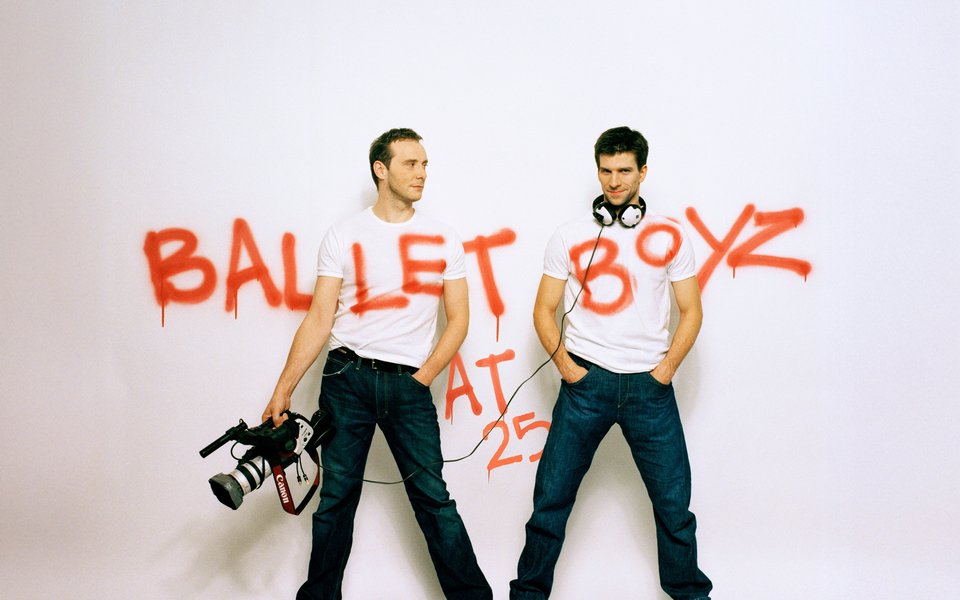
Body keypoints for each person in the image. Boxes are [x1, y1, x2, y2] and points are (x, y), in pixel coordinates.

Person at [263, 128, 492, 600]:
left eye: (425, 164)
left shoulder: (443, 238)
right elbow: (319, 318)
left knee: (433, 499)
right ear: (380, 169)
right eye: (411, 164)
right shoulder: (344, 234)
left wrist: (423, 377)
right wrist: (283, 389)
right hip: (346, 380)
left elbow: (459, 320)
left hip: (409, 385)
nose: (422, 173)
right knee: (335, 500)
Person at [509, 126, 713, 600]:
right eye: (606, 171)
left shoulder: (670, 235)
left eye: (624, 171)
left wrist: (665, 371)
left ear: (643, 172)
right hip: (586, 385)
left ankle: (690, 594)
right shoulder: (570, 235)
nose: (614, 181)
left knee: (674, 508)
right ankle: (529, 595)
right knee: (550, 502)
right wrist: (568, 368)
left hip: (650, 389)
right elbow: (543, 310)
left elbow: (692, 311)